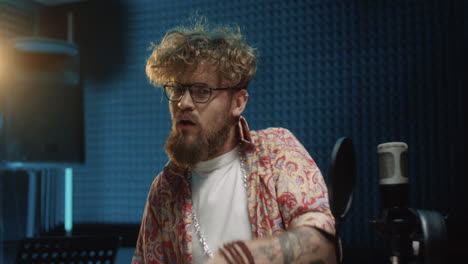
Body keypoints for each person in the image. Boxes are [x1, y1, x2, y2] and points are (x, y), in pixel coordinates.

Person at [132, 17, 337, 264]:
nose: (183, 103)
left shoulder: (276, 151)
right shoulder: (164, 190)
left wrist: (239, 258)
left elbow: (323, 246)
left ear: (237, 103)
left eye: (201, 91)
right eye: (176, 90)